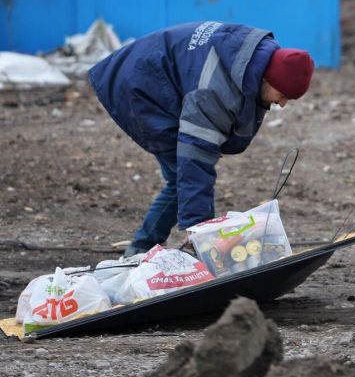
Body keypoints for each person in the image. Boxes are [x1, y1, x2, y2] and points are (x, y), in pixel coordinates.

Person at [88, 21, 314, 257]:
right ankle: (142, 250)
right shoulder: (215, 91)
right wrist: (198, 228)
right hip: (138, 85)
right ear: (267, 79)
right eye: (282, 95)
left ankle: (148, 247)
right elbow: (195, 160)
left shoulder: (253, 59)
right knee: (182, 175)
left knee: (184, 178)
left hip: (158, 73)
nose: (282, 104)